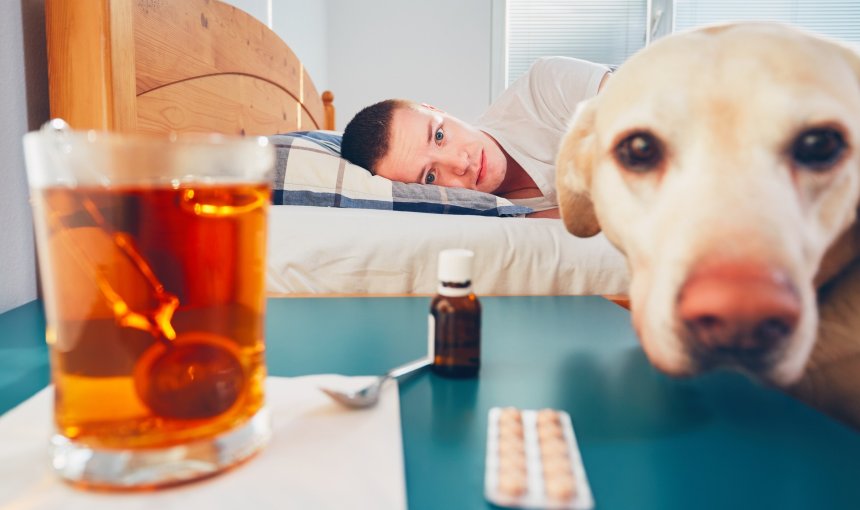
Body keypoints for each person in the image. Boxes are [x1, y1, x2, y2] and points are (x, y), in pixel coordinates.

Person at [340, 56, 612, 218]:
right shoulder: (495, 220)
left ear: (435, 109)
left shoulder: (544, 86)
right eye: (430, 177)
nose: (459, 163)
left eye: (438, 135)